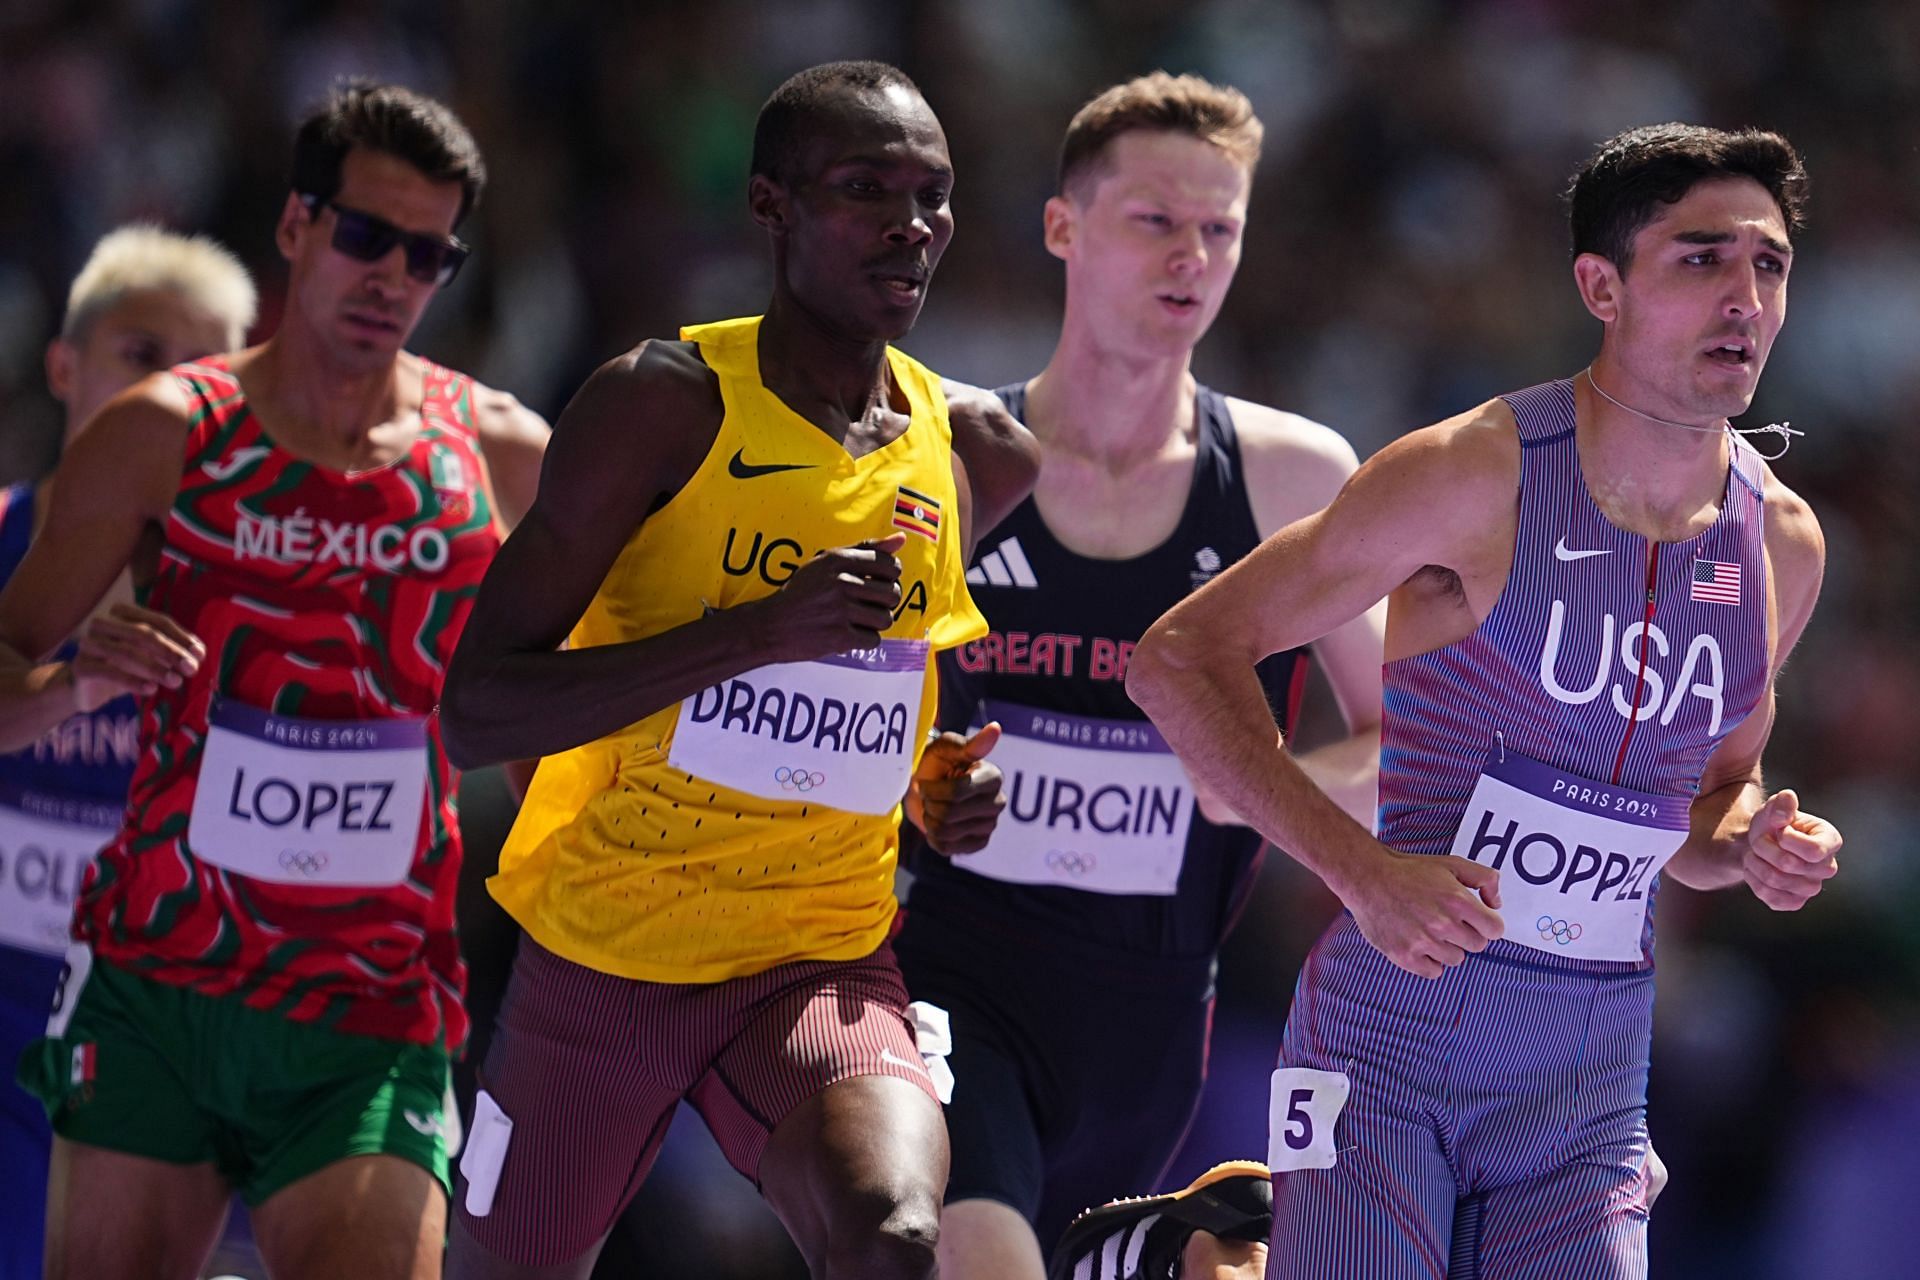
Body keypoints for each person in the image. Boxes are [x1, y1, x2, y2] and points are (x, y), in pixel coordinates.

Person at [1116, 123, 1840, 1279]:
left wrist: (1757, 840)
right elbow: (1178, 656)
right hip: (1391, 1035)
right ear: (1601, 284)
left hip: (1588, 1075)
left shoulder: (1781, 546)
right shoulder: (1471, 474)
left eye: (1769, 264)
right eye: (1702, 259)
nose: (1745, 296)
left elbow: (1706, 806)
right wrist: (1360, 869)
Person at [436, 60, 1039, 1280]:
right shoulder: (660, 405)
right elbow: (476, 709)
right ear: (770, 206)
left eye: (934, 194)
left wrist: (934, 780)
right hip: (608, 955)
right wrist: (749, 631)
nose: (912, 225)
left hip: (817, 952)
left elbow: (874, 693)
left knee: (895, 1236)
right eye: (868, 189)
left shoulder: (979, 449)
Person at [0, 81, 549, 1280]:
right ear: (297, 226)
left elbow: (598, 684)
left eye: (428, 254)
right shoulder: (164, 429)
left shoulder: (497, 453)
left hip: (373, 1009)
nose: (391, 276)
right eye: (365, 235)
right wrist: (71, 687)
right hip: (159, 990)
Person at [886, 72, 1382, 1280]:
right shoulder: (944, 450)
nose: (1192, 256)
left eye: (1221, 228)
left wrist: (1263, 785)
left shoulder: (1291, 478)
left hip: (1152, 1019)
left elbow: (1414, 736)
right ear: (1064, 226)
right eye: (1155, 220)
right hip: (945, 976)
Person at [0, 224, 256, 1280]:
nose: (171, 397)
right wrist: (71, 688)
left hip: (152, 1050)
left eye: (208, 374)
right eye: (142, 355)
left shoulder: (270, 603)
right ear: (65, 365)